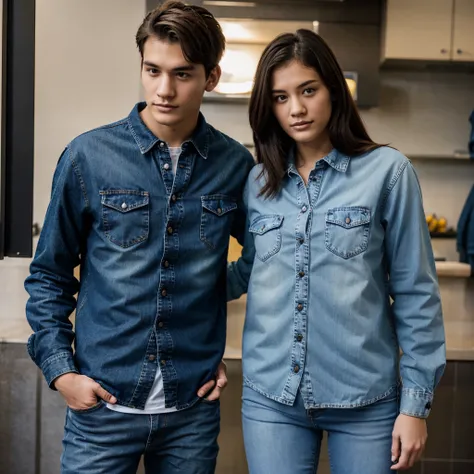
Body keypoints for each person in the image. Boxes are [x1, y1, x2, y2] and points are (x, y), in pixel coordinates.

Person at [25, 2, 254, 473]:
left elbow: (265, 257)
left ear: (211, 77)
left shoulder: (234, 165)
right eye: (153, 70)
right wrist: (60, 371)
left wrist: (210, 295)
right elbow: (49, 274)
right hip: (102, 407)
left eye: (182, 74)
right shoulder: (88, 156)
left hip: (190, 409)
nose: (164, 90)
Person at [228, 29, 446, 474]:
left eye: (308, 90)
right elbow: (249, 270)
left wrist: (415, 406)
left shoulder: (388, 172)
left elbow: (416, 292)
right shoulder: (257, 183)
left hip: (366, 401)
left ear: (333, 88)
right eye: (280, 97)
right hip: (272, 398)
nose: (297, 109)